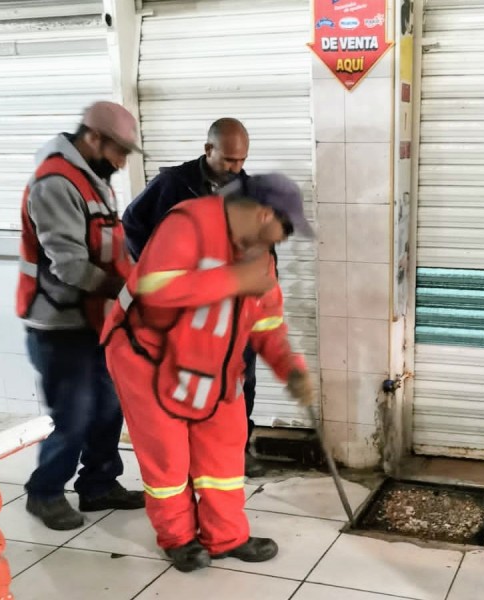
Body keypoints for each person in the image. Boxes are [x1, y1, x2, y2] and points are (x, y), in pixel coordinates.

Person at [101, 172, 315, 573]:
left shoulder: (260, 254)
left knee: (223, 451)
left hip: (214, 363)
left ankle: (226, 536)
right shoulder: (189, 223)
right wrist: (234, 279)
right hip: (146, 357)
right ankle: (179, 539)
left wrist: (292, 369)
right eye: (285, 228)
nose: (284, 239)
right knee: (167, 458)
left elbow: (267, 322)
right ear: (264, 213)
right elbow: (155, 288)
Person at [16, 101, 146, 530]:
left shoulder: (93, 180)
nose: (122, 161)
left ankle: (99, 484)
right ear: (94, 138)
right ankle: (45, 491)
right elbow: (69, 265)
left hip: (95, 320)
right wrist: (129, 290)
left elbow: (108, 246)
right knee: (73, 414)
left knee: (109, 407)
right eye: (119, 151)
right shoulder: (55, 183)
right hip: (59, 325)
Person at [122, 118, 269, 477]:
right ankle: (188, 458)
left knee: (239, 379)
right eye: (229, 160)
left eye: (242, 160)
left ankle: (237, 450)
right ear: (208, 150)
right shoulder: (175, 184)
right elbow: (131, 223)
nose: (236, 168)